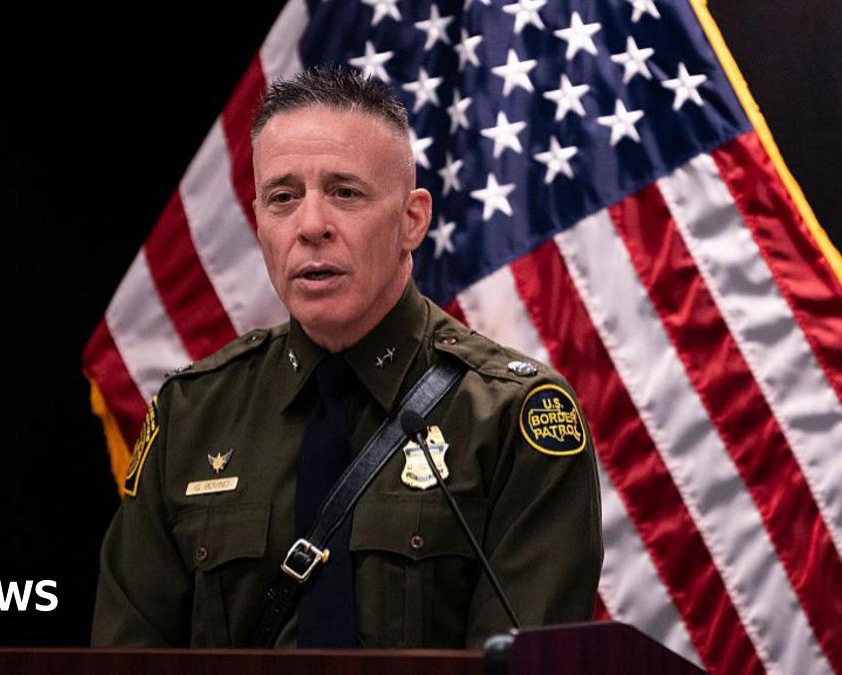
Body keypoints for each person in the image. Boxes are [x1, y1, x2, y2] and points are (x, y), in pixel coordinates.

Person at [91, 66, 602, 649]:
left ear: (412, 219)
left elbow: (523, 666)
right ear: (258, 222)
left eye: (345, 193)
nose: (311, 226)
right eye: (282, 197)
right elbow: (126, 656)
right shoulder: (193, 416)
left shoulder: (510, 418)